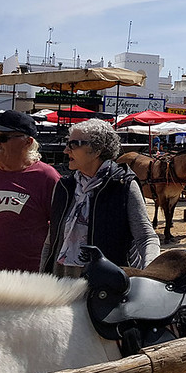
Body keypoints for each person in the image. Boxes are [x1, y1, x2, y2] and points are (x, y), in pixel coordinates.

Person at [40, 119, 160, 277]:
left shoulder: (123, 184)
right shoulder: (64, 186)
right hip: (62, 281)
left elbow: (146, 237)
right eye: (67, 143)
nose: (66, 150)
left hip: (108, 284)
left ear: (97, 150)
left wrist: (148, 277)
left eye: (74, 144)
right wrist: (42, 276)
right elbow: (51, 239)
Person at [0, 110, 61, 272]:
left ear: (27, 142)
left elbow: (62, 229)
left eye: (2, 138)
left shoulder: (47, 177)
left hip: (26, 282)